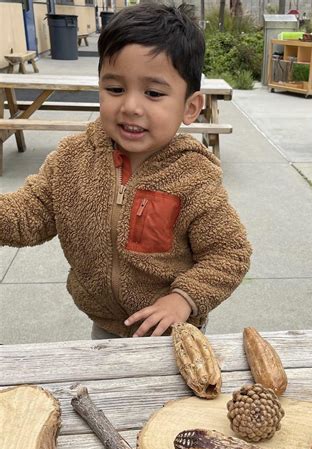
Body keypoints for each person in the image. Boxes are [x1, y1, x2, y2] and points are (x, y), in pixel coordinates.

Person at [0, 4, 252, 340]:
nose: (131, 106)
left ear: (190, 107)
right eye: (115, 89)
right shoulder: (71, 160)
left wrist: (183, 299)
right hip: (104, 324)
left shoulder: (193, 178)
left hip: (173, 329)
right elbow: (27, 215)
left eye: (153, 93)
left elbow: (229, 252)